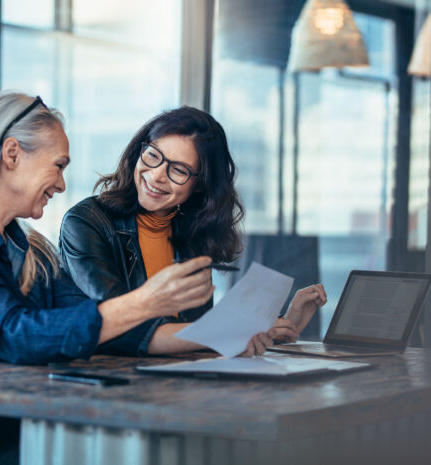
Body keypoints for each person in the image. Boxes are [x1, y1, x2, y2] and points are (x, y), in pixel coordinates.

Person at [0, 92, 216, 465]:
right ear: (12, 154)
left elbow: (102, 323)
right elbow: (16, 335)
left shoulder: (31, 249)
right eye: (58, 165)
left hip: (17, 442)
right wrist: (145, 301)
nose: (61, 184)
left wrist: (225, 337)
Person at [59, 106, 327, 356]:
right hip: (109, 383)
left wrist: (278, 326)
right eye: (152, 155)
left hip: (176, 381)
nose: (156, 175)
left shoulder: (193, 234)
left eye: (178, 170)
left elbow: (197, 334)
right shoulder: (86, 221)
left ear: (199, 185)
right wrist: (227, 334)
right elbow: (118, 322)